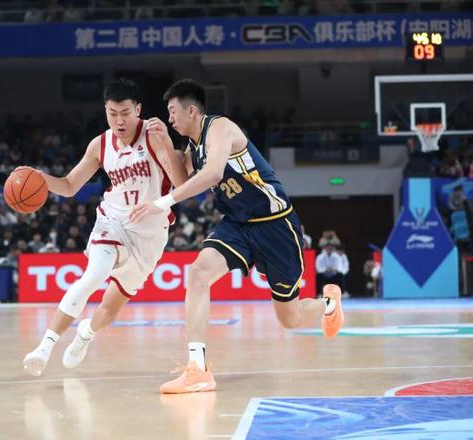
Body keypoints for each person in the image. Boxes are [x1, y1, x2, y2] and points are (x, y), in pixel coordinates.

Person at [129, 79, 344, 393]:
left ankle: (328, 302)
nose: (170, 118)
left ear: (192, 111)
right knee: (198, 273)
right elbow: (183, 182)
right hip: (238, 225)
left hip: (275, 225)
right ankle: (197, 369)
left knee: (290, 318)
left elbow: (213, 174)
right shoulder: (192, 148)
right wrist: (162, 144)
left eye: (173, 111)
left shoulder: (220, 128)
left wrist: (161, 203)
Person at [22, 78, 184, 376]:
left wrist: (169, 147)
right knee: (94, 275)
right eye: (112, 113)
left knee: (109, 310)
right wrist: (39, 177)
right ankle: (44, 347)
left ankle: (85, 334)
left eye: (125, 113)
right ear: (105, 112)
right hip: (113, 221)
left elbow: (180, 183)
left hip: (149, 235)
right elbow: (69, 185)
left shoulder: (153, 135)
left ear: (138, 109)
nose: (119, 120)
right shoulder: (100, 144)